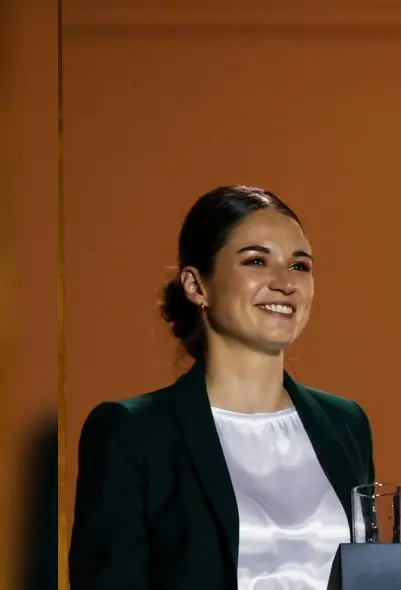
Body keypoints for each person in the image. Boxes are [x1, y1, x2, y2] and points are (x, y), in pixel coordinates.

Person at [69, 186, 374, 589]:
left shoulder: (345, 423)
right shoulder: (133, 432)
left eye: (300, 266)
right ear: (197, 286)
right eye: (256, 261)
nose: (285, 282)